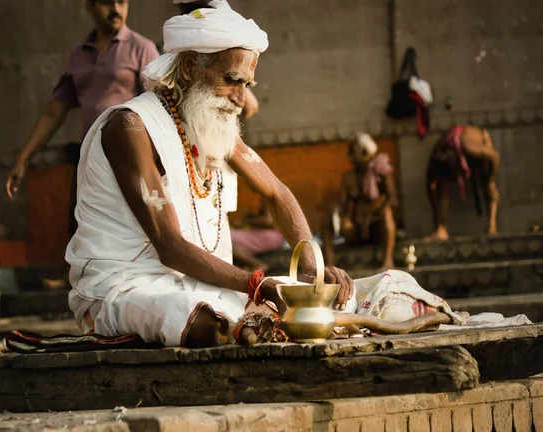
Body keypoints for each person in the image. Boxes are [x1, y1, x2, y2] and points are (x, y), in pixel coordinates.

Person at [65, 1, 354, 348]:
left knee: (338, 297)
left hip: (199, 285)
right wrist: (257, 285)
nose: (241, 99)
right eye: (232, 80)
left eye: (247, 84)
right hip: (124, 289)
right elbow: (170, 247)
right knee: (203, 322)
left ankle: (252, 322)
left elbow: (276, 193)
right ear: (188, 67)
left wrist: (312, 268)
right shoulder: (131, 127)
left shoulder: (209, 126)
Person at [5, 0, 159, 237]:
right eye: (108, 3)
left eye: (122, 2)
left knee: (130, 233)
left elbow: (159, 107)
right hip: (89, 158)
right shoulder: (79, 54)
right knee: (83, 231)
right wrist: (24, 158)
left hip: (128, 158)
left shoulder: (141, 48)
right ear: (90, 6)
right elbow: (54, 111)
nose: (116, 10)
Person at [322, 133, 397, 269]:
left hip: (375, 228)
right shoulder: (348, 178)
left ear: (364, 153)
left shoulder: (381, 170)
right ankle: (329, 265)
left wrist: (372, 213)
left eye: (352, 152)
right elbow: (343, 205)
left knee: (387, 213)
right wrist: (343, 217)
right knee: (328, 218)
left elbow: (392, 199)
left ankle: (388, 260)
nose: (350, 157)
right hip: (355, 229)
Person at [426, 124, 500, 241]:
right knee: (442, 189)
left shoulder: (471, 147)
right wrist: (437, 220)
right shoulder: (437, 154)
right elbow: (431, 187)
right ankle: (441, 229)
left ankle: (492, 226)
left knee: (488, 184)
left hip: (479, 142)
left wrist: (491, 179)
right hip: (453, 154)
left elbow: (495, 156)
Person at [231, 202, 285, 272]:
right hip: (275, 236)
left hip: (272, 235)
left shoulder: (268, 196)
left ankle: (257, 264)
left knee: (228, 237)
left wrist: (243, 221)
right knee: (234, 244)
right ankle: (246, 266)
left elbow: (268, 221)